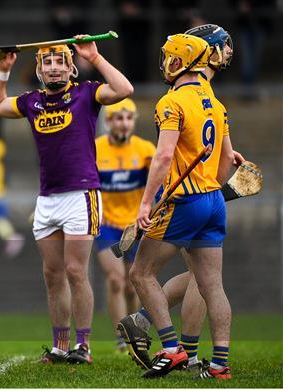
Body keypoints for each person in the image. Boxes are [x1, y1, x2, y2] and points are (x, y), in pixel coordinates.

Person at [0, 35, 133, 364]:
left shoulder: (86, 93)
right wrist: (4, 71)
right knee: (53, 273)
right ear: (39, 70)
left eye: (60, 63)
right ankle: (59, 347)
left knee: (75, 271)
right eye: (47, 63)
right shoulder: (32, 101)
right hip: (48, 198)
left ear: (70, 69)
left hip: (81, 194)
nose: (54, 69)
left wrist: (93, 57)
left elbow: (124, 90)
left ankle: (83, 346)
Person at [118, 25, 242, 377]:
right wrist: (209, 188)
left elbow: (162, 157)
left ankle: (172, 349)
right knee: (211, 285)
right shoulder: (216, 104)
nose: (167, 62)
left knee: (141, 273)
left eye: (172, 57)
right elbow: (227, 159)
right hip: (213, 201)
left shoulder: (170, 102)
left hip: (183, 201)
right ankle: (219, 364)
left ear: (186, 60)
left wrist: (144, 205)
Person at [94, 98, 155, 353]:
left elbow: (159, 185)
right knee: (116, 279)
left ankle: (133, 334)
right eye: (118, 118)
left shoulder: (145, 150)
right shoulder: (94, 149)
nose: (124, 123)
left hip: (136, 227)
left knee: (133, 284)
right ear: (108, 122)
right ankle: (121, 338)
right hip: (107, 225)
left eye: (129, 118)